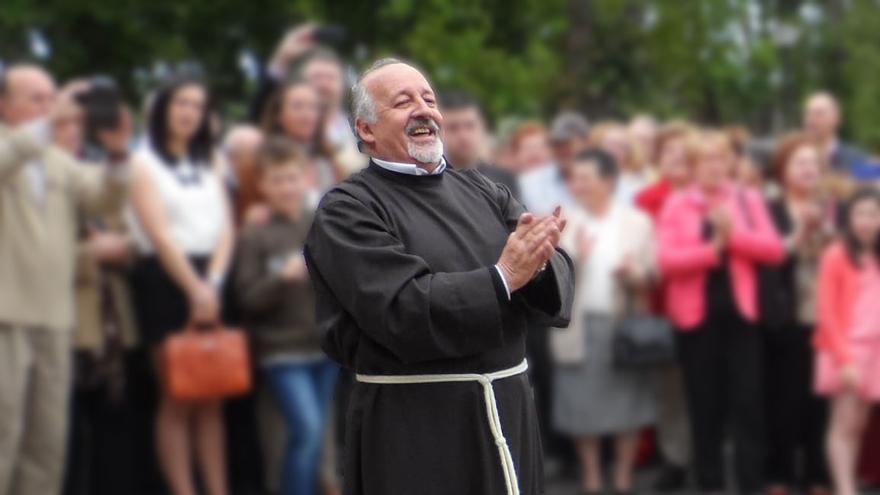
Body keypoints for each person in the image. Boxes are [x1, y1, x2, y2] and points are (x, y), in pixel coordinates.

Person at [304, 58, 575, 495]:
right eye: (403, 101)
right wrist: (504, 276)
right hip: (416, 428)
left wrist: (540, 261)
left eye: (429, 99)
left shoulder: (485, 190)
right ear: (366, 130)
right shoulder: (348, 209)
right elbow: (401, 309)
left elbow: (545, 269)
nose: (423, 109)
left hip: (508, 407)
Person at [0, 64, 131, 495]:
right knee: (4, 433)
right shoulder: (11, 148)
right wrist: (50, 119)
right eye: (35, 97)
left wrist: (115, 154)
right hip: (7, 317)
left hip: (55, 317)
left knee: (47, 440)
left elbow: (103, 194)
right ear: (5, 104)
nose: (49, 107)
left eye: (49, 96)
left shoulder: (56, 160)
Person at [657, 131, 784, 494]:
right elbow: (667, 260)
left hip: (743, 317)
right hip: (696, 321)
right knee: (704, 406)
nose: (714, 167)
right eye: (706, 160)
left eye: (720, 159)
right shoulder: (678, 204)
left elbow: (773, 249)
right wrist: (713, 248)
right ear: (694, 167)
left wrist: (735, 238)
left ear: (730, 162)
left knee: (748, 404)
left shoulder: (747, 199)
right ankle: (709, 483)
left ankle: (751, 483)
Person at [126, 76, 234, 495]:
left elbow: (226, 229)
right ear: (162, 110)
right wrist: (195, 289)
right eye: (181, 103)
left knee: (214, 395)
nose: (189, 112)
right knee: (177, 395)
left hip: (214, 275)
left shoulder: (212, 161)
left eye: (198, 105)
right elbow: (159, 234)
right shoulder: (142, 162)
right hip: (167, 279)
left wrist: (215, 283)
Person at [235, 136, 339, 495]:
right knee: (307, 430)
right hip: (282, 352)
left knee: (320, 434)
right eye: (277, 180)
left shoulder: (323, 223)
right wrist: (281, 278)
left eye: (292, 178)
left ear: (306, 179)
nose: (286, 187)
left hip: (324, 348)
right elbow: (246, 297)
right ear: (262, 185)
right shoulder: (255, 234)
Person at [551, 149, 656, 494]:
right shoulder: (562, 220)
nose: (578, 185)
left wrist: (633, 274)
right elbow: (547, 278)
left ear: (608, 180)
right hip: (580, 327)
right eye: (574, 178)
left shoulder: (636, 222)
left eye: (586, 177)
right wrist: (576, 255)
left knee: (629, 403)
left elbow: (652, 274)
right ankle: (592, 476)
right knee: (582, 405)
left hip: (622, 326)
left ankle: (623, 474)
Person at [761, 133, 835, 495]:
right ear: (782, 170)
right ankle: (781, 473)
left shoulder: (834, 209)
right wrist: (801, 234)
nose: (808, 170)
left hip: (829, 319)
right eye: (800, 163)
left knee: (821, 401)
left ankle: (817, 474)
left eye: (814, 163)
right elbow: (768, 260)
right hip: (786, 317)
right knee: (784, 400)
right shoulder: (769, 210)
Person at [633, 121, 695, 492]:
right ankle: (676, 457)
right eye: (671, 155)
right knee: (670, 389)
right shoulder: (647, 199)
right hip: (660, 306)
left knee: (704, 386)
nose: (679, 163)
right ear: (658, 158)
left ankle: (706, 454)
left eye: (686, 157)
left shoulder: (711, 196)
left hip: (704, 310)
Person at [814, 188, 880, 495]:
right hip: (847, 349)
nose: (866, 222)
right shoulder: (836, 254)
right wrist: (845, 358)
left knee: (859, 424)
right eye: (860, 214)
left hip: (875, 350)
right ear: (848, 218)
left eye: (873, 214)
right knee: (844, 423)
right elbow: (826, 311)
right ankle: (844, 488)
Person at [260, 79, 346, 208]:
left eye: (312, 107)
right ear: (278, 115)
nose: (307, 115)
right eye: (298, 106)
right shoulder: (262, 160)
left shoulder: (328, 162)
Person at [439, 89, 520, 198]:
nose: (463, 136)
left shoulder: (503, 178)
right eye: (453, 128)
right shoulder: (433, 182)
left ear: (482, 128)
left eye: (470, 126)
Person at [518, 111, 587, 215]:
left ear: (586, 143)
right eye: (557, 144)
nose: (562, 150)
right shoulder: (530, 183)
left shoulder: (607, 181)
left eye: (567, 144)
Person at [802, 92, 869, 173]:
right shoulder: (793, 161)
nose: (812, 120)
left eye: (819, 114)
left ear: (836, 119)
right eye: (808, 114)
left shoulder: (857, 159)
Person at [592, 122, 651, 205]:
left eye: (621, 146)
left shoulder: (638, 186)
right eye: (610, 144)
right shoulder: (584, 179)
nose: (614, 150)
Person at [221, 124, 265, 226]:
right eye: (256, 155)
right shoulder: (216, 185)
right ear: (233, 158)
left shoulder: (261, 186)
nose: (262, 162)